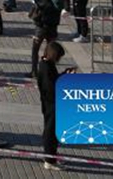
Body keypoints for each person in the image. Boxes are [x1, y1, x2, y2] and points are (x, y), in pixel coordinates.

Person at [38, 41, 74, 170]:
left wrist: (64, 74)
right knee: (51, 132)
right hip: (52, 104)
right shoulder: (47, 67)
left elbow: (54, 80)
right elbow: (52, 88)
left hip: (50, 103)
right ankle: (49, 160)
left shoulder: (45, 63)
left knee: (52, 131)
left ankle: (51, 155)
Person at [30, 0, 63, 79]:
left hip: (41, 28)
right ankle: (48, 71)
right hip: (53, 29)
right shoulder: (60, 1)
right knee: (50, 51)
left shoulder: (44, 1)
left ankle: (34, 71)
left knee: (35, 49)